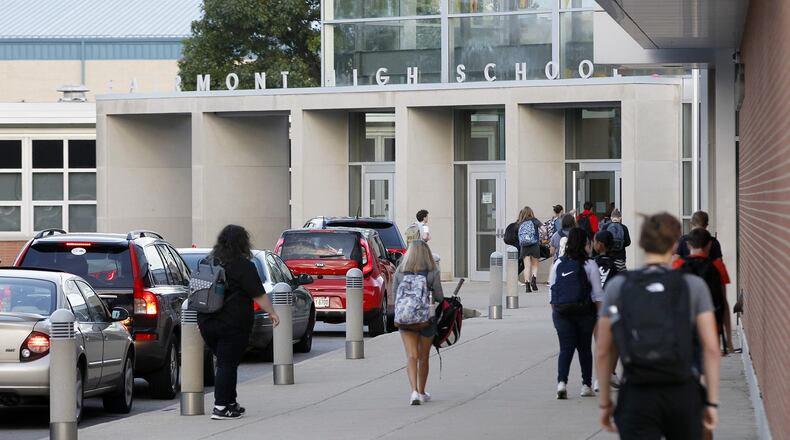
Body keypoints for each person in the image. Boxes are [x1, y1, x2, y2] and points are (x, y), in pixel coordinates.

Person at [597, 213, 721, 439]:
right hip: (682, 389)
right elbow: (711, 349)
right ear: (675, 243)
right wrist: (711, 403)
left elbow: (605, 350)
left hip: (637, 392)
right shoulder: (692, 285)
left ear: (642, 243)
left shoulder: (619, 286)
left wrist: (605, 403)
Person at [198, 225, 280, 420]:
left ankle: (230, 402)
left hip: (206, 321)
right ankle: (220, 407)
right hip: (232, 324)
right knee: (227, 364)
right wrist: (272, 313)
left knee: (226, 363)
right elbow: (258, 294)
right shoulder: (243, 265)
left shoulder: (207, 262)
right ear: (243, 243)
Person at [548, 228, 604, 399]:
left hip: (561, 312)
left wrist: (557, 312)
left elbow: (551, 292)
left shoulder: (558, 263)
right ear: (585, 244)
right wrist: (599, 315)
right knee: (584, 348)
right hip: (584, 312)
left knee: (565, 348)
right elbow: (597, 294)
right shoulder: (590, 264)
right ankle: (586, 385)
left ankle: (561, 383)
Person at [392, 239, 444, 406]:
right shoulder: (432, 273)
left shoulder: (399, 272)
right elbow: (440, 297)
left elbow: (394, 296)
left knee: (412, 355)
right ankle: (422, 392)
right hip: (427, 319)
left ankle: (413, 391)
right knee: (424, 356)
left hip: (405, 319)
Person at [673, 228, 734, 353]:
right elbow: (724, 302)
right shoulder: (718, 266)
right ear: (710, 245)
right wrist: (728, 339)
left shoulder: (677, 265)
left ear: (688, 245)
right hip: (711, 326)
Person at [592, 230, 622, 391]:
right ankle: (610, 371)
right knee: (615, 342)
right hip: (614, 308)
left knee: (600, 344)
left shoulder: (592, 263)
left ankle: (600, 378)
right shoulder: (618, 263)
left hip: (596, 308)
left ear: (599, 245)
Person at [517, 206, 543, 293]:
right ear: (531, 212)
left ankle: (527, 285)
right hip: (534, 245)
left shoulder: (520, 223)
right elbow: (544, 230)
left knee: (527, 266)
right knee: (535, 264)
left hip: (524, 247)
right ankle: (534, 280)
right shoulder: (535, 220)